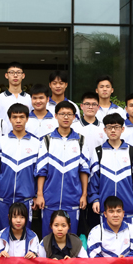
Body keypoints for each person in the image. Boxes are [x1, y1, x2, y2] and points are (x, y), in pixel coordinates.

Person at [34, 101, 89, 237]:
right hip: (49, 199)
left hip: (73, 199)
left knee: (71, 237)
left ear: (74, 117)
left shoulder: (81, 141)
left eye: (69, 114)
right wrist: (40, 194)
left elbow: (84, 170)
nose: (65, 117)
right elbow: (41, 170)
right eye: (62, 114)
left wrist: (84, 195)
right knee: (48, 237)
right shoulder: (47, 140)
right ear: (56, 116)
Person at [88, 114, 133, 226]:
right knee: (106, 236)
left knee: (128, 236)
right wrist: (95, 199)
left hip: (128, 209)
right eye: (109, 127)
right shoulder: (98, 152)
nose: (113, 130)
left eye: (116, 127)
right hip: (105, 210)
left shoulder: (131, 151)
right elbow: (93, 179)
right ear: (105, 130)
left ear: (122, 129)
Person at [0, 103, 40, 231]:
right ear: (9, 119)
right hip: (3, 198)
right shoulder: (1, 142)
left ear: (27, 119)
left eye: (22, 117)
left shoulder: (36, 143)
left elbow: (39, 172)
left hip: (26, 198)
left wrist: (37, 194)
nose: (18, 120)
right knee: (2, 233)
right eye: (14, 117)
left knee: (24, 234)